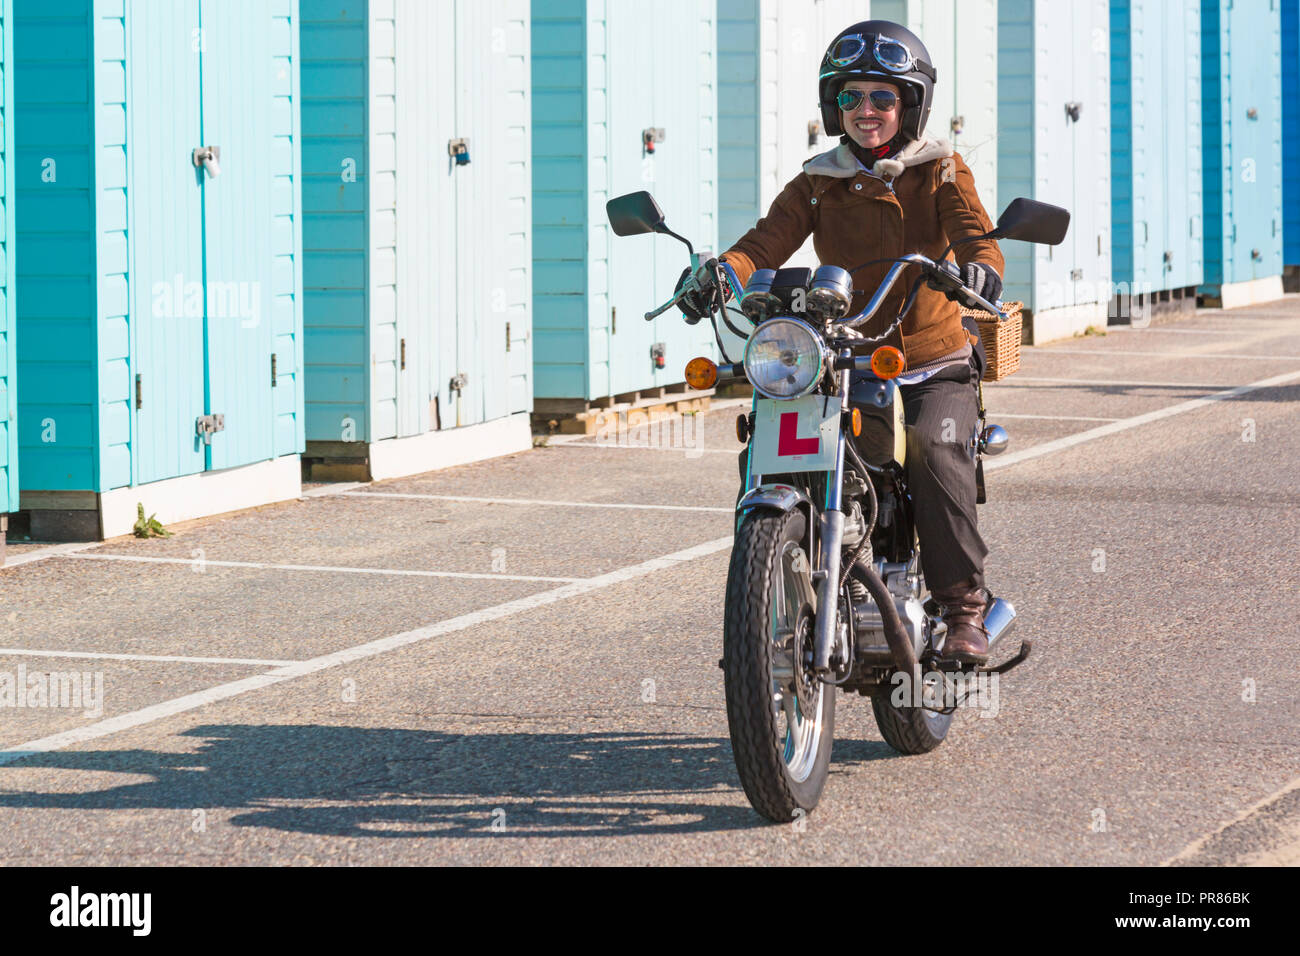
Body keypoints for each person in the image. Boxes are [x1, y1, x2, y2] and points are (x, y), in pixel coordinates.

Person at [680, 20, 1004, 663]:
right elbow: (766, 241)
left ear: (908, 104)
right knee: (770, 453)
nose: (866, 112)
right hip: (844, 357)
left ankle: (964, 606)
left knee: (936, 456)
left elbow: (975, 235)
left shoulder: (939, 170)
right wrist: (720, 274)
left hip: (931, 362)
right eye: (851, 97)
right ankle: (762, 594)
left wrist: (981, 270)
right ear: (835, 106)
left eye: (882, 98)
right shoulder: (817, 181)